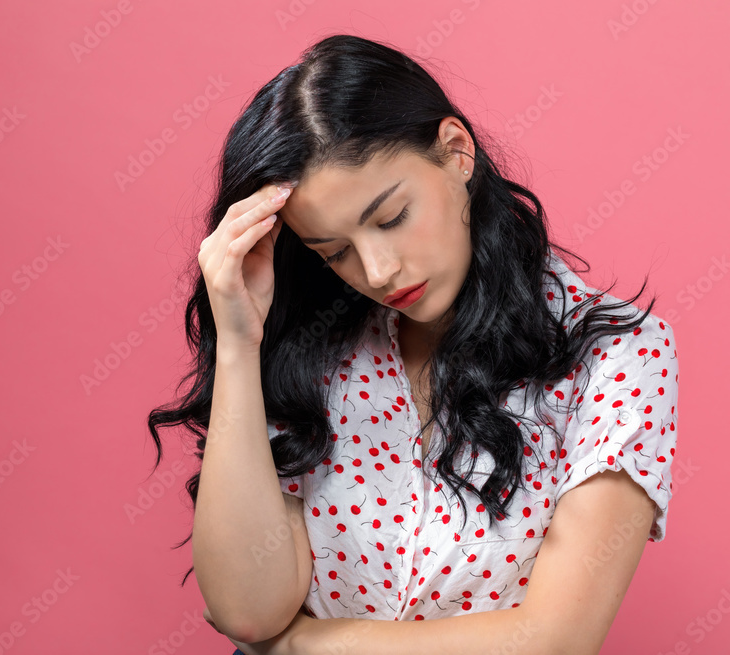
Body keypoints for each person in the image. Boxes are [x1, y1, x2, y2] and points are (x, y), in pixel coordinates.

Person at [146, 34, 679, 655]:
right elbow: (247, 612)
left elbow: (552, 640)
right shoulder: (313, 347)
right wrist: (239, 343)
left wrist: (299, 648)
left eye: (391, 217)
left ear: (456, 153)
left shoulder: (616, 357)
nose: (376, 272)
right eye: (334, 252)